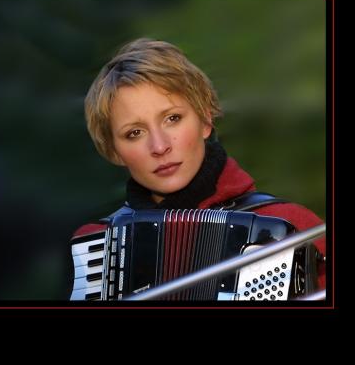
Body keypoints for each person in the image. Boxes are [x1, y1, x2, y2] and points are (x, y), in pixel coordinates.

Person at [72, 37, 326, 300]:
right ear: (114, 152)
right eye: (134, 133)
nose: (159, 146)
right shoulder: (99, 247)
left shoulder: (292, 224)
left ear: (205, 120)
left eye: (173, 119)